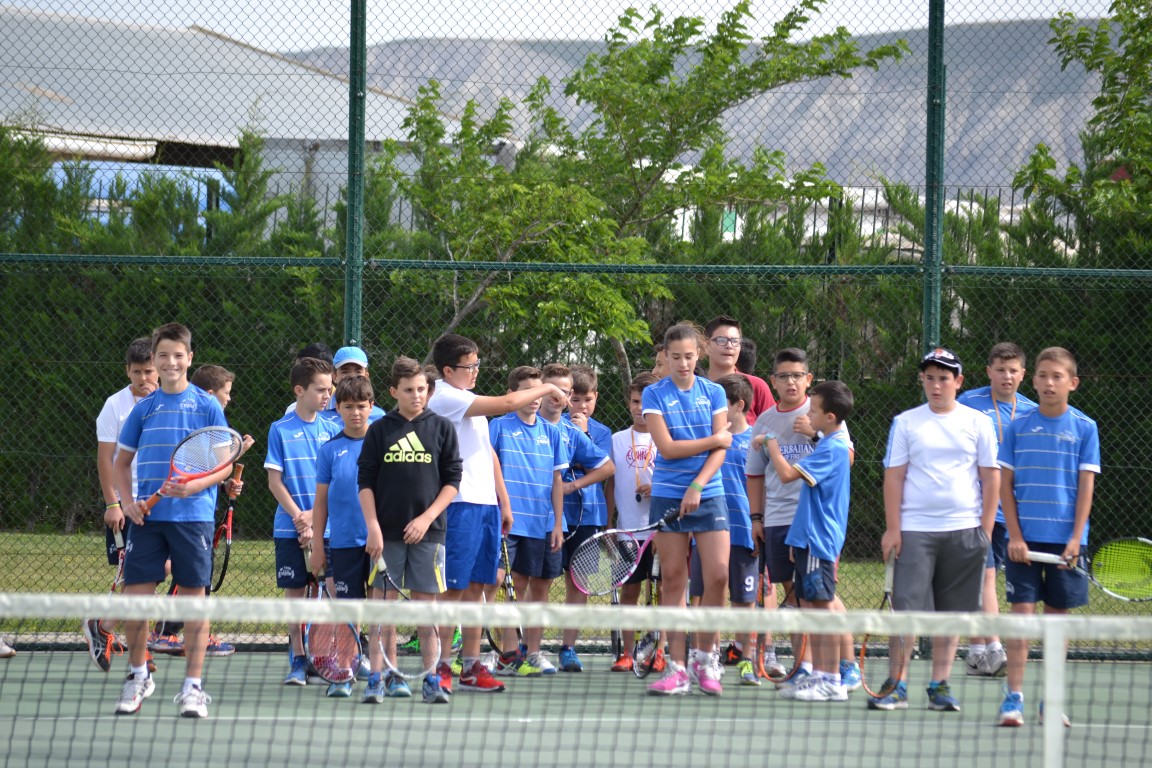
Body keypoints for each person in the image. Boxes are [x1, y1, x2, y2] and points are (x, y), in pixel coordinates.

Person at [426, 333, 569, 693]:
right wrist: (547, 387)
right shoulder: (444, 397)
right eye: (469, 366)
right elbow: (507, 402)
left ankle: (471, 667)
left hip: (485, 506)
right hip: (458, 506)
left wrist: (503, 502)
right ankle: (440, 667)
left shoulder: (469, 400)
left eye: (477, 364)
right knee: (454, 590)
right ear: (448, 370)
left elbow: (487, 453)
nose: (475, 371)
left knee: (478, 588)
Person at [110, 322, 234, 718]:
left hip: (193, 519)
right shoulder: (143, 409)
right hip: (147, 520)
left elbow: (224, 466)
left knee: (194, 604)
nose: (170, 362)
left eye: (178, 355)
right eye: (163, 355)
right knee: (136, 600)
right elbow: (120, 463)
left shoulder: (207, 406)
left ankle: (193, 687)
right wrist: (127, 502)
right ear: (154, 359)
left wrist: (195, 486)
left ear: (189, 358)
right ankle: (137, 676)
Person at [869, 347, 999, 713]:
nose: (936, 385)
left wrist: (985, 530)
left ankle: (940, 685)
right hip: (914, 531)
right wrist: (893, 529)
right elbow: (894, 477)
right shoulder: (906, 422)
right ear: (922, 381)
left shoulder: (978, 422)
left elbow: (991, 477)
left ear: (958, 382)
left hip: (965, 531)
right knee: (906, 612)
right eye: (930, 378)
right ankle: (897, 685)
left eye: (943, 378)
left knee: (951, 614)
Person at [997, 347, 1098, 727]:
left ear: (1073, 383)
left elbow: (1086, 488)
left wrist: (1075, 540)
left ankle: (1050, 703)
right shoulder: (1018, 426)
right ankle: (1014, 699)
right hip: (1022, 543)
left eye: (1057, 376)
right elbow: (1005, 485)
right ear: (1034, 380)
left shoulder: (1085, 427)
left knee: (1056, 626)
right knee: (1022, 619)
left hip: (1067, 545)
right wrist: (1015, 536)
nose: (1049, 382)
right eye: (1043, 375)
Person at [747, 348, 859, 690]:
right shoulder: (765, 420)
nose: (791, 382)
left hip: (816, 525)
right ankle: (804, 666)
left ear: (808, 379)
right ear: (773, 381)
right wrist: (756, 518)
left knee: (823, 596)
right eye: (783, 376)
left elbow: (845, 459)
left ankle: (846, 666)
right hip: (781, 521)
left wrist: (813, 433)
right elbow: (756, 474)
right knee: (797, 596)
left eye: (797, 375)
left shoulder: (825, 415)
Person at [359, 357, 461, 705]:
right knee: (382, 609)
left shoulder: (442, 428)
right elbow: (365, 482)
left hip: (429, 535)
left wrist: (425, 519)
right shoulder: (379, 430)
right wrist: (373, 526)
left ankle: (432, 679)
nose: (416, 395)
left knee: (425, 611)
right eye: (408, 390)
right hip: (385, 536)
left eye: (421, 389)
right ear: (393, 392)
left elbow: (453, 482)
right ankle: (378, 677)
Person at [642, 323, 732, 697]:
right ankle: (677, 667)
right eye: (676, 357)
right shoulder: (653, 394)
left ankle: (705, 659)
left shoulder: (714, 392)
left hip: (709, 493)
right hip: (667, 494)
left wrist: (697, 485)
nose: (683, 364)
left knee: (719, 576)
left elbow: (722, 451)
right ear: (665, 356)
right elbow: (667, 448)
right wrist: (715, 438)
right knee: (674, 579)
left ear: (700, 355)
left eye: (689, 357)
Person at [147, 364, 254, 660]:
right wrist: (237, 453)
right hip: (188, 513)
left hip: (201, 508)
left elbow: (207, 470)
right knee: (192, 575)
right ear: (209, 394)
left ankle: (178, 632)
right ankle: (167, 632)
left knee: (195, 575)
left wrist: (226, 484)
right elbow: (201, 467)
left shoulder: (211, 423)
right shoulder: (198, 424)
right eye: (226, 393)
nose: (229, 398)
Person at [957, 342, 1038, 677]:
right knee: (985, 576)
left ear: (1023, 374)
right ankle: (994, 647)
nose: (1007, 376)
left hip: (1013, 514)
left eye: (1013, 370)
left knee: (982, 579)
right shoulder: (967, 402)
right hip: (974, 508)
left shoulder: (1033, 411)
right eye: (1000, 370)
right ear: (988, 371)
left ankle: (977, 652)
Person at [267, 356, 342, 686]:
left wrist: (313, 517)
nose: (328, 395)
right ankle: (298, 658)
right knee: (295, 596)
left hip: (327, 528)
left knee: (332, 593)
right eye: (320, 390)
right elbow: (274, 482)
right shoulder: (279, 430)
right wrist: (299, 518)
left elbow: (338, 482)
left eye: (330, 389)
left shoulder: (334, 430)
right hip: (289, 528)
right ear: (299, 390)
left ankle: (327, 656)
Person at [488, 366, 568, 677]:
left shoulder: (552, 433)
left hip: (539, 525)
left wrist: (557, 523)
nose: (535, 398)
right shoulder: (498, 426)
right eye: (527, 391)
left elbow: (557, 480)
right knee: (501, 584)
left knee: (527, 587)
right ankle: (493, 653)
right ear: (512, 394)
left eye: (539, 391)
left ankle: (520, 654)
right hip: (505, 523)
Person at [86, 337, 157, 671]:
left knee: (150, 574)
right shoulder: (114, 406)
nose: (144, 378)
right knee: (142, 577)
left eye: (149, 371)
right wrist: (112, 503)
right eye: (137, 372)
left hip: (157, 504)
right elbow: (105, 459)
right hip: (127, 506)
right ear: (127, 371)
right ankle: (134, 647)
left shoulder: (167, 403)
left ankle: (104, 625)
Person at [308, 375, 375, 698]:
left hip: (378, 544)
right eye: (348, 407)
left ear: (371, 406)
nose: (355, 413)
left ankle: (380, 674)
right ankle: (345, 670)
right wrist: (317, 546)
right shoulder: (329, 450)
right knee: (348, 610)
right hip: (343, 543)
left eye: (361, 406)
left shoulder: (383, 446)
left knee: (379, 611)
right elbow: (320, 502)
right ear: (337, 408)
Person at [549, 364, 614, 672]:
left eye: (588, 400)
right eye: (575, 400)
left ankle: (568, 647)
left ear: (595, 398)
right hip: (554, 516)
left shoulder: (602, 433)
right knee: (541, 579)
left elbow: (598, 467)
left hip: (588, 515)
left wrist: (584, 434)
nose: (581, 406)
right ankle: (526, 646)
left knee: (579, 582)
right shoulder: (553, 425)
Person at [697, 374, 759, 686]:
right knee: (710, 595)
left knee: (745, 601)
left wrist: (759, 525)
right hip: (709, 531)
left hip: (744, 534)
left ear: (739, 405)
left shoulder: (756, 442)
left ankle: (747, 659)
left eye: (720, 404)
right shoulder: (709, 440)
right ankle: (711, 658)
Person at [606, 372, 660, 672]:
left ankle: (659, 652)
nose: (640, 408)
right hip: (627, 531)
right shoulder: (616, 440)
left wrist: (658, 488)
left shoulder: (667, 437)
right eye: (635, 401)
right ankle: (627, 653)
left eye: (646, 402)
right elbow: (610, 485)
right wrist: (609, 525)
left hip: (660, 532)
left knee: (663, 593)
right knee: (629, 592)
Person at [702, 315, 775, 421]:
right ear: (706, 345)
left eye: (735, 341)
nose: (729, 346)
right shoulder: (695, 387)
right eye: (721, 340)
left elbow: (774, 426)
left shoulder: (756, 386)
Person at [320, 346, 387, 427]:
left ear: (366, 376)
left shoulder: (378, 416)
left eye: (358, 371)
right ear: (334, 376)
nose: (352, 376)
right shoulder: (319, 414)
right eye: (345, 372)